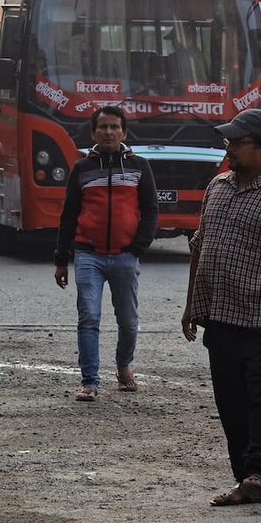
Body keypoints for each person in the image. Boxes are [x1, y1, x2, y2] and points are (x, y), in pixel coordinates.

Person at [181, 108, 261, 507]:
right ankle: (244, 477)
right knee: (230, 401)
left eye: (238, 142)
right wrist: (190, 305)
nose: (230, 149)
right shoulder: (217, 187)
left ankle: (258, 472)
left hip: (260, 318)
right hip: (218, 315)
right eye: (229, 142)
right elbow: (199, 246)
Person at [53, 105, 158, 402]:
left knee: (128, 320)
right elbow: (69, 214)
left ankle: (124, 366)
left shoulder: (139, 166)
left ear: (124, 132)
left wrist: (138, 246)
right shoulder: (82, 168)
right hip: (89, 256)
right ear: (93, 133)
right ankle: (89, 381)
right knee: (89, 317)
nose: (109, 132)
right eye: (103, 127)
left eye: (115, 127)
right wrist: (61, 259)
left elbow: (151, 210)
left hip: (126, 256)